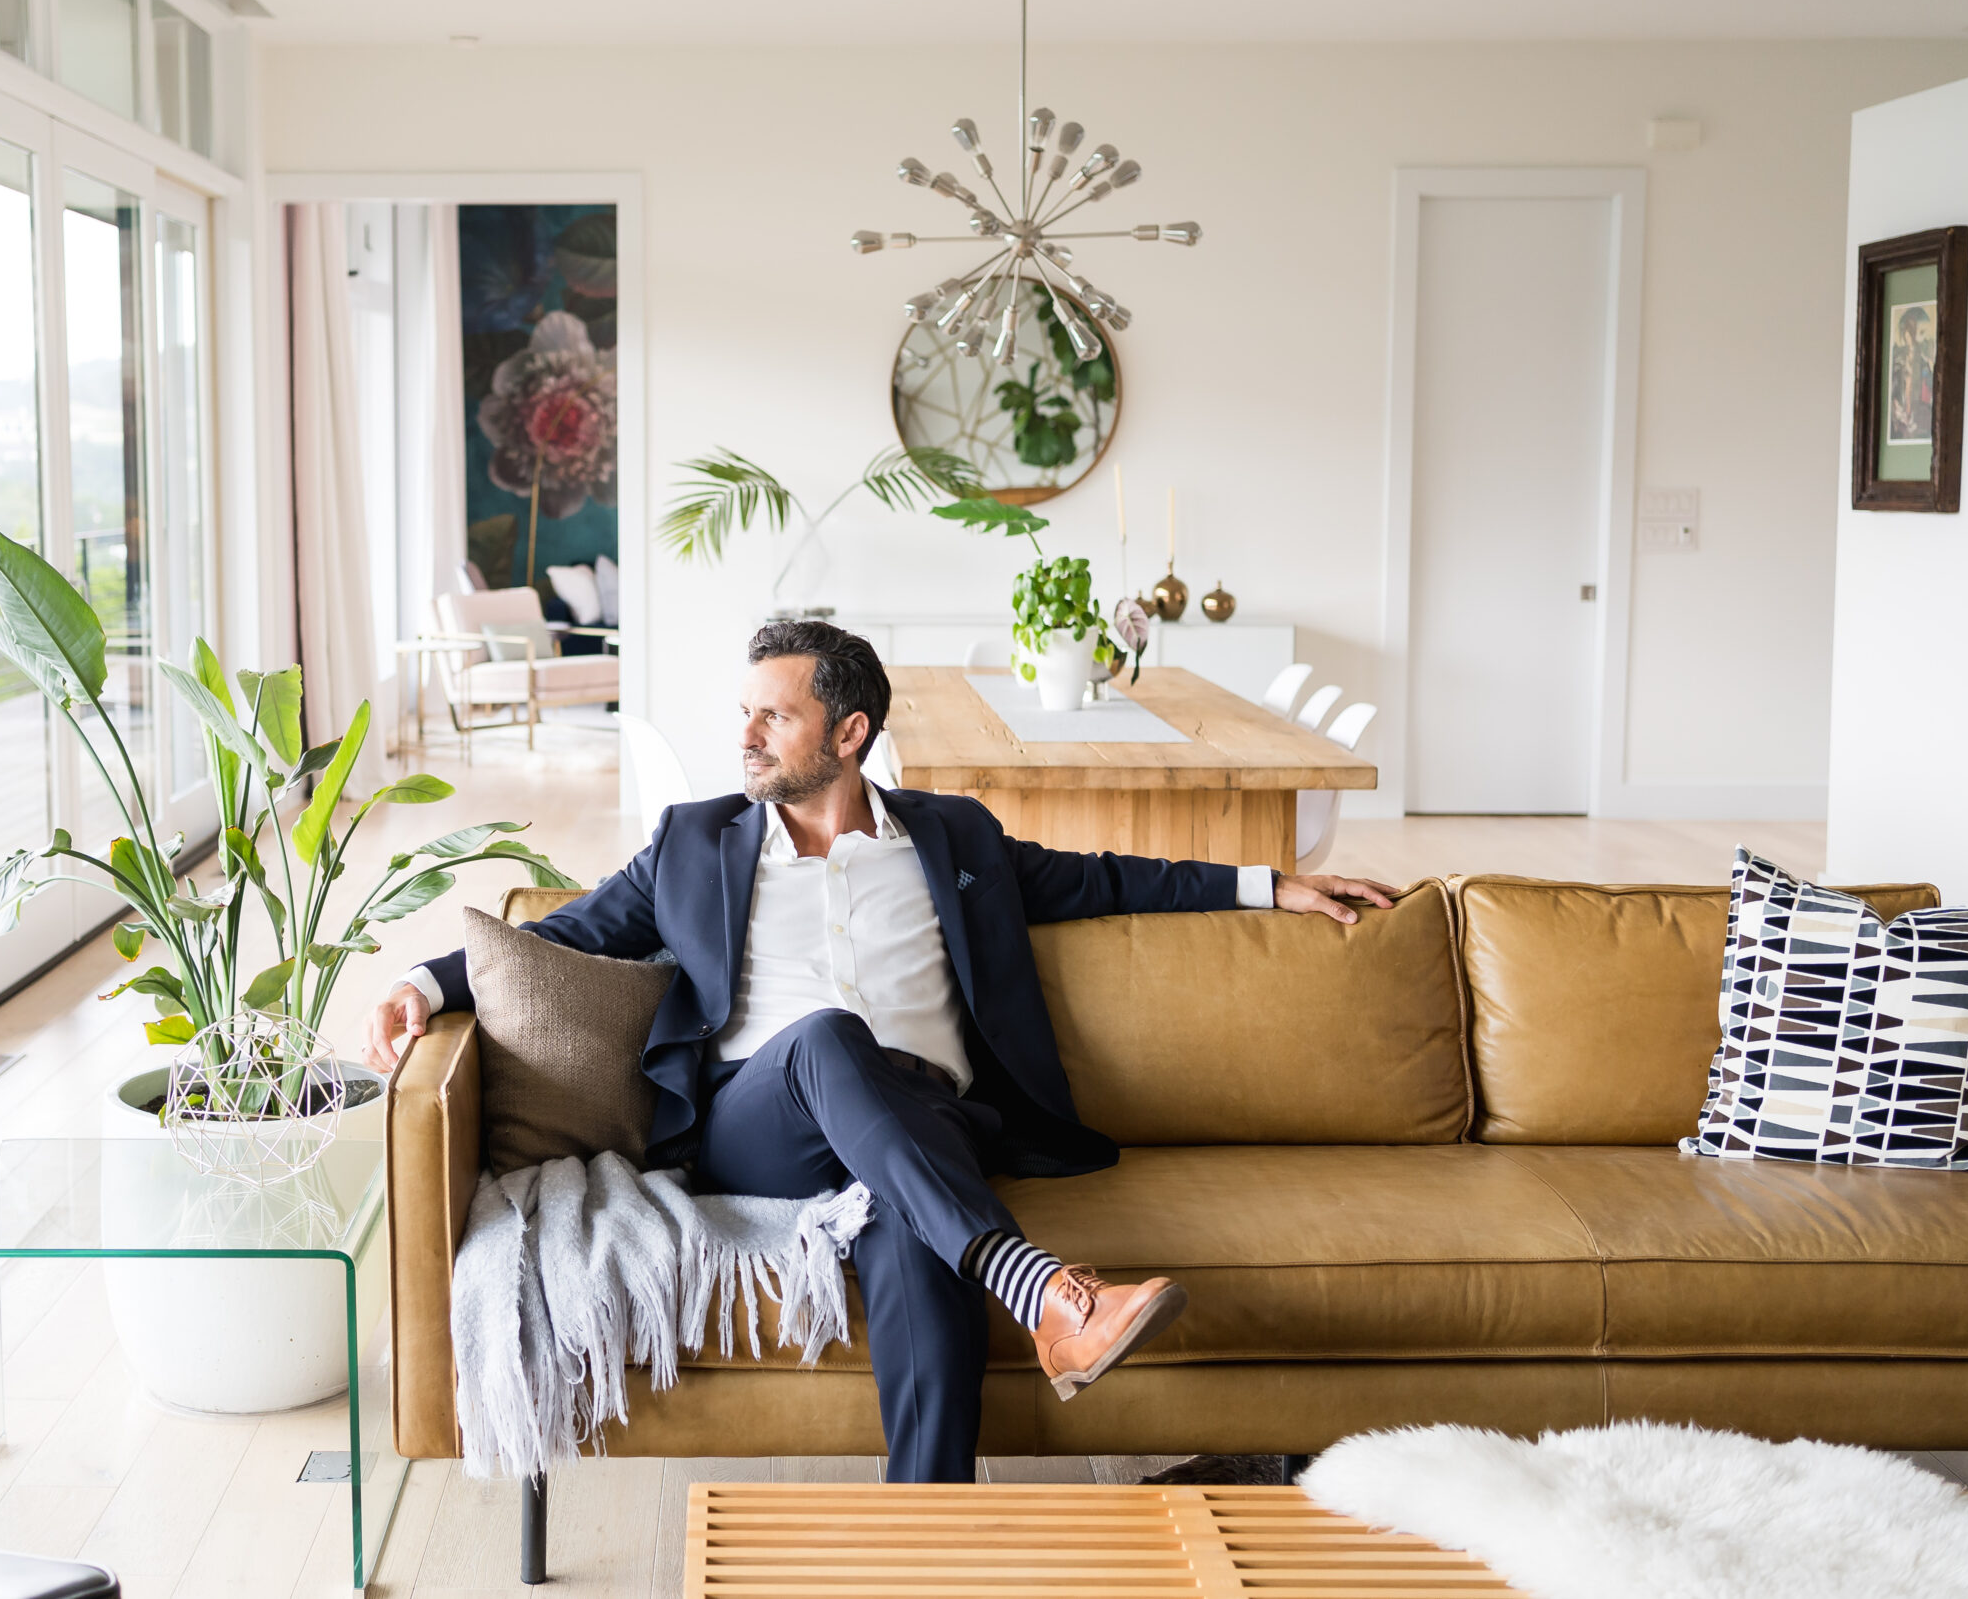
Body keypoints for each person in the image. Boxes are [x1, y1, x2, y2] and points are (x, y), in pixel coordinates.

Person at [364, 620, 1398, 1483]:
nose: (748, 735)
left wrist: (1271, 886)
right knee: (827, 1039)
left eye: (776, 714)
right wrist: (420, 984)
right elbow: (561, 935)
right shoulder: (695, 843)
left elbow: (1104, 878)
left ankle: (921, 1545)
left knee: (913, 1242)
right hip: (762, 1121)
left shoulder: (954, 839)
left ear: (849, 732)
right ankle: (1040, 1292)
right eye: (745, 714)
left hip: (931, 1126)